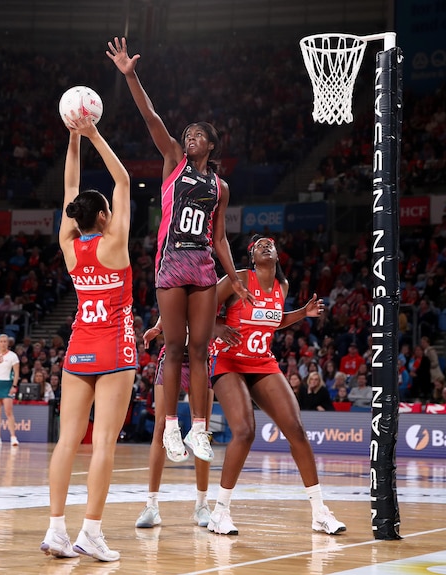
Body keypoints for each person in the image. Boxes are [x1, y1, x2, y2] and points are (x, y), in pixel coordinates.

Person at [107, 37, 251, 464]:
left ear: (211, 144)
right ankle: (171, 427)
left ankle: (201, 432)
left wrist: (236, 278)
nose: (189, 137)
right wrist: (131, 75)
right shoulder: (172, 160)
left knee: (200, 349)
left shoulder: (220, 187)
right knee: (172, 347)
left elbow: (220, 237)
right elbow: (150, 116)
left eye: (197, 135)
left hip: (204, 268)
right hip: (171, 265)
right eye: (187, 133)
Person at [40, 114, 135, 562]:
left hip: (78, 347)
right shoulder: (114, 243)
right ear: (103, 216)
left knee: (66, 441)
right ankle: (90, 532)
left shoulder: (69, 245)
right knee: (103, 445)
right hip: (114, 347)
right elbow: (124, 178)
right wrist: (94, 132)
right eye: (110, 210)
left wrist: (72, 140)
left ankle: (56, 530)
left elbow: (68, 190)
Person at [207, 234, 346, 536]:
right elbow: (202, 308)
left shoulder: (282, 287)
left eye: (269, 244)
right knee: (244, 431)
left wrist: (303, 314)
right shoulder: (239, 278)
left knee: (295, 428)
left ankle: (319, 512)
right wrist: (218, 326)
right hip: (229, 360)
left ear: (277, 255)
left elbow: (275, 319)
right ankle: (220, 512)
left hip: (261, 361)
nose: (265, 246)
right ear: (251, 257)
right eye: (258, 245)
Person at [133, 327, 213, 529]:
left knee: (202, 431)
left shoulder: (211, 293)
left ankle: (202, 505)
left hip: (202, 355)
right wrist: (159, 326)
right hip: (172, 354)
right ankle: (151, 505)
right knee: (161, 427)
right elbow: (171, 305)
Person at [0, 334, 21, 446]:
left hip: (7, 385)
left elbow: (16, 373)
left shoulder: (13, 356)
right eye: (1, 341)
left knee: (8, 412)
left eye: (5, 341)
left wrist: (14, 386)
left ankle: (13, 437)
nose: (3, 343)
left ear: (8, 343)